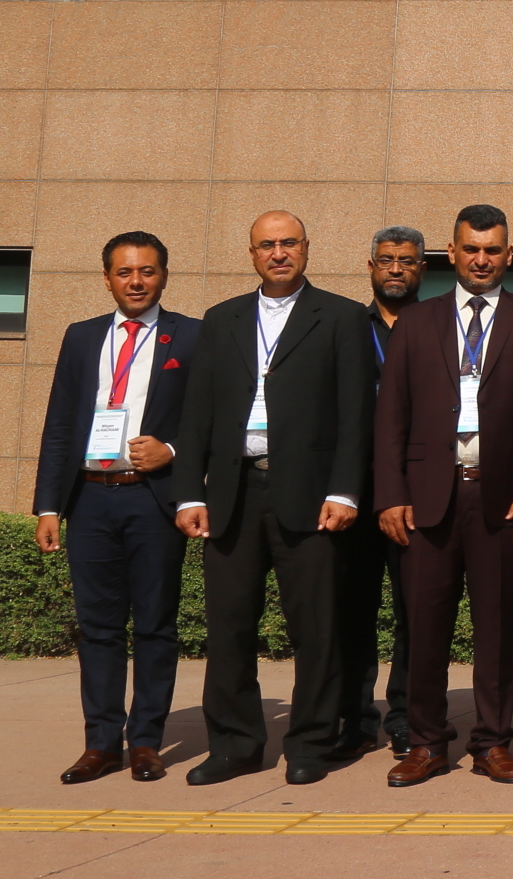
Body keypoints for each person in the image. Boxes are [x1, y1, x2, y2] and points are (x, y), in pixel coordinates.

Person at [170, 211, 374, 787]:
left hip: (311, 497)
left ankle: (311, 741)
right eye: (267, 245)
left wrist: (344, 490)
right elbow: (197, 414)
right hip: (235, 492)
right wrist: (189, 493)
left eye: (288, 243)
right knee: (229, 626)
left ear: (307, 248)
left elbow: (357, 413)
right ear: (251, 254)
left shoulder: (340, 317)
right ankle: (235, 743)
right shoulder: (222, 319)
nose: (278, 253)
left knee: (316, 627)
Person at [375, 204, 513, 788]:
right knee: (425, 628)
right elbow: (390, 420)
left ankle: (491, 742)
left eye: (492, 250)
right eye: (470, 249)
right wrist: (390, 495)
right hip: (427, 502)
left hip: (502, 503)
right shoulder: (416, 323)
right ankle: (427, 743)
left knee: (496, 629)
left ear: (509, 255)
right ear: (451, 253)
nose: (480, 259)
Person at [35, 231, 200, 786]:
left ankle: (146, 742)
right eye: (125, 272)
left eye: (147, 271)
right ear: (106, 277)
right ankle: (102, 743)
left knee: (155, 625)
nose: (136, 281)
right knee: (98, 628)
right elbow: (59, 424)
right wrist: (48, 506)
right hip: (89, 500)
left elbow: (207, 421)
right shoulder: (81, 338)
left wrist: (172, 451)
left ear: (164, 276)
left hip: (152, 499)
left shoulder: (191, 337)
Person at [345, 224, 424, 760]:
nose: (396, 268)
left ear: (424, 269)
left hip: (416, 493)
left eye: (408, 261)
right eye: (387, 259)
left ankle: (405, 716)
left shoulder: (439, 324)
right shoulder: (344, 325)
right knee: (351, 611)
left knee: (413, 613)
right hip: (353, 489)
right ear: (370, 265)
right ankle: (353, 716)